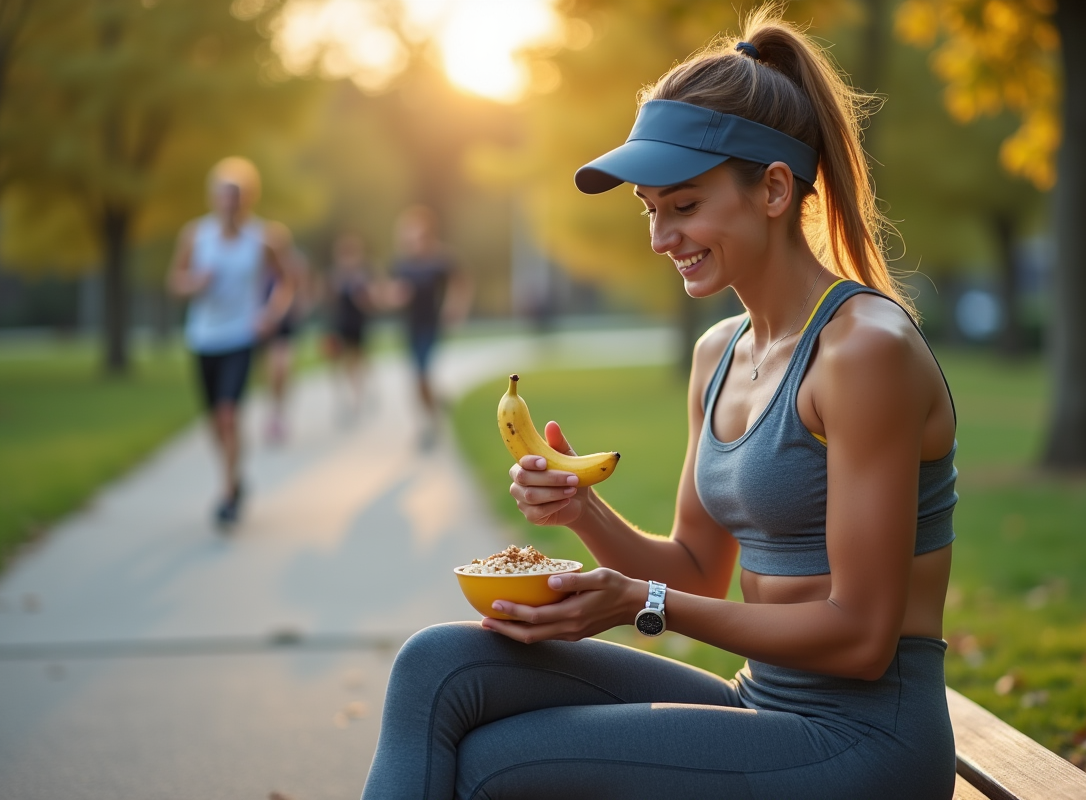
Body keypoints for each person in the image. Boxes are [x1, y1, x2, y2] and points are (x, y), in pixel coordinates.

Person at [362, 10, 958, 800]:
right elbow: (698, 571)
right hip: (766, 705)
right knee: (437, 668)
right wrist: (583, 512)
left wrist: (640, 603)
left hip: (866, 740)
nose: (658, 236)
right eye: (649, 208)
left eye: (683, 205)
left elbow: (860, 638)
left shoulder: (863, 352)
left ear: (774, 189)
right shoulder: (719, 354)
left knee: (492, 769)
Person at [168, 157, 297, 529]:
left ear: (248, 199)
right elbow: (174, 281)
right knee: (213, 421)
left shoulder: (263, 239)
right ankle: (235, 477)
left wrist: (271, 313)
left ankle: (227, 493)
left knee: (229, 413)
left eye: (237, 197)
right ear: (213, 199)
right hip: (203, 338)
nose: (230, 203)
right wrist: (194, 283)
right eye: (224, 196)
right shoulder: (196, 235)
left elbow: (288, 281)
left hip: (241, 336)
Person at [383, 205, 472, 447]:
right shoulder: (401, 263)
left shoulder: (440, 260)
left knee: (421, 376)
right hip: (409, 327)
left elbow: (460, 285)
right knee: (419, 378)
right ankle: (438, 404)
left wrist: (454, 308)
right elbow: (392, 292)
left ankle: (428, 426)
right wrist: (391, 297)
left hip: (431, 326)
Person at [261, 246, 311, 445]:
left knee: (282, 367)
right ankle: (274, 410)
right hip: (263, 328)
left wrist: (301, 306)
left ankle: (279, 413)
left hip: (284, 327)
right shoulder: (259, 267)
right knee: (271, 373)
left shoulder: (292, 267)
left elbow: (303, 290)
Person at [325, 231, 375, 418]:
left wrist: (360, 295)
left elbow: (369, 301)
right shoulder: (335, 275)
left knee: (356, 360)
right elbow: (329, 301)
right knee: (339, 363)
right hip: (339, 325)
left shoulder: (363, 274)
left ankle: (358, 395)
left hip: (358, 324)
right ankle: (344, 397)